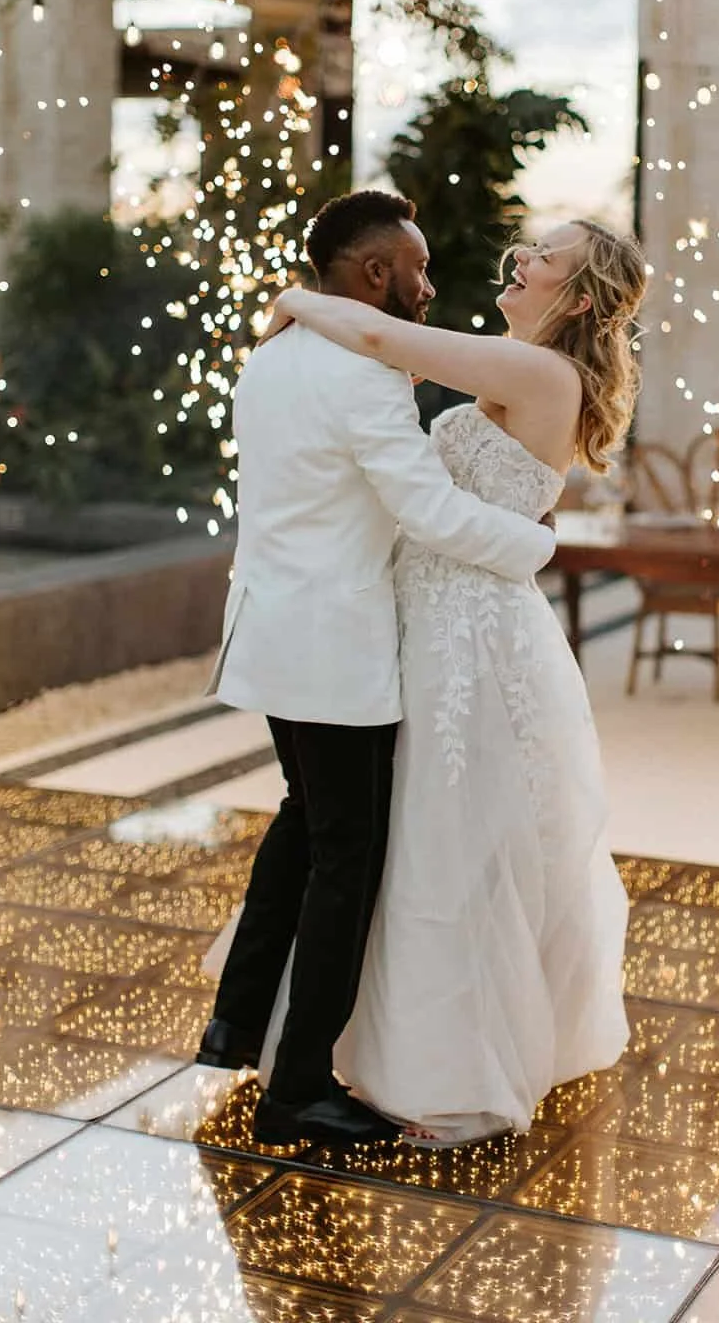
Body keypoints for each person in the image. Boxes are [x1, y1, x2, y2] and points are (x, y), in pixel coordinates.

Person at [249, 214, 646, 1145]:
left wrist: (294, 297)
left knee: (445, 841)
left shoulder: (538, 372)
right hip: (431, 619)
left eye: (537, 260)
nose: (515, 264)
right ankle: (365, 1046)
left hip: (464, 631)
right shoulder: (519, 367)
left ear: (577, 297)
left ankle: (445, 1065)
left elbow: (383, 338)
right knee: (414, 838)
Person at [196, 190, 558, 1147]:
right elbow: (427, 512)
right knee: (345, 860)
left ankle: (236, 1023)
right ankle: (298, 1087)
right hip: (333, 647)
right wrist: (533, 546)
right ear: (371, 275)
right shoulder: (362, 375)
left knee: (306, 822)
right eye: (418, 267)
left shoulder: (271, 354)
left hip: (268, 632)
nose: (429, 285)